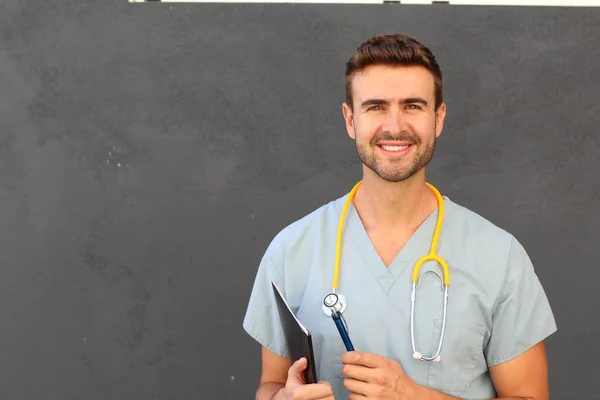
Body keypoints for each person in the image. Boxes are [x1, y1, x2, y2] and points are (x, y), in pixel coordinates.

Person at [242, 33, 557, 400]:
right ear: (350, 120)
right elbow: (271, 385)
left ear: (438, 118)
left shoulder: (500, 258)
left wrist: (410, 395)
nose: (394, 126)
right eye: (375, 106)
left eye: (412, 106)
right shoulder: (291, 250)